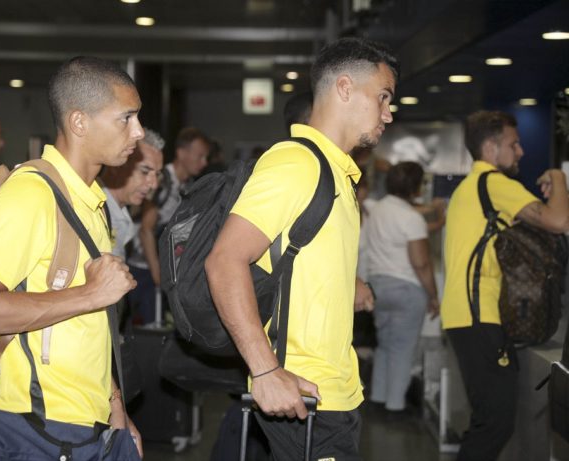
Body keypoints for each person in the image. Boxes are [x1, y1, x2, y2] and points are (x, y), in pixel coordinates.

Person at [0, 56, 144, 460]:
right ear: (79, 122)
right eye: (126, 118)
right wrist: (90, 293)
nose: (137, 131)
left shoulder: (91, 202)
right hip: (31, 429)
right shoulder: (32, 195)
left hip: (82, 427)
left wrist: (116, 410)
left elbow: (88, 327)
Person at [205, 37, 399, 460]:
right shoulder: (297, 163)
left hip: (333, 393)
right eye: (383, 97)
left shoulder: (337, 172)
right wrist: (266, 371)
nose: (388, 113)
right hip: (302, 392)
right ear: (345, 88)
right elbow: (224, 261)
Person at [440, 110, 569, 460]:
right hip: (478, 315)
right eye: (514, 144)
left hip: (467, 314)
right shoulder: (494, 183)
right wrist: (559, 176)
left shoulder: (471, 187)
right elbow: (559, 221)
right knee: (494, 423)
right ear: (490, 148)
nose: (521, 152)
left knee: (489, 419)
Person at [365, 161, 441, 416]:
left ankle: (378, 398)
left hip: (377, 286)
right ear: (415, 187)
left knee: (385, 345)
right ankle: (395, 406)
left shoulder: (377, 210)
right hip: (406, 289)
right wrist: (433, 295)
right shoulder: (411, 218)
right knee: (403, 349)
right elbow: (421, 263)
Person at [128, 126, 210, 324]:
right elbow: (146, 230)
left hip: (157, 267)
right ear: (181, 153)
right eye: (199, 156)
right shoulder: (160, 180)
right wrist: (159, 275)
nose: (204, 162)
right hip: (139, 266)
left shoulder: (188, 186)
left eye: (206, 157)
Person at [99, 128, 164, 259]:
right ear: (116, 165)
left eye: (157, 174)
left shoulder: (118, 211)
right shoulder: (95, 210)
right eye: (145, 171)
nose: (154, 184)